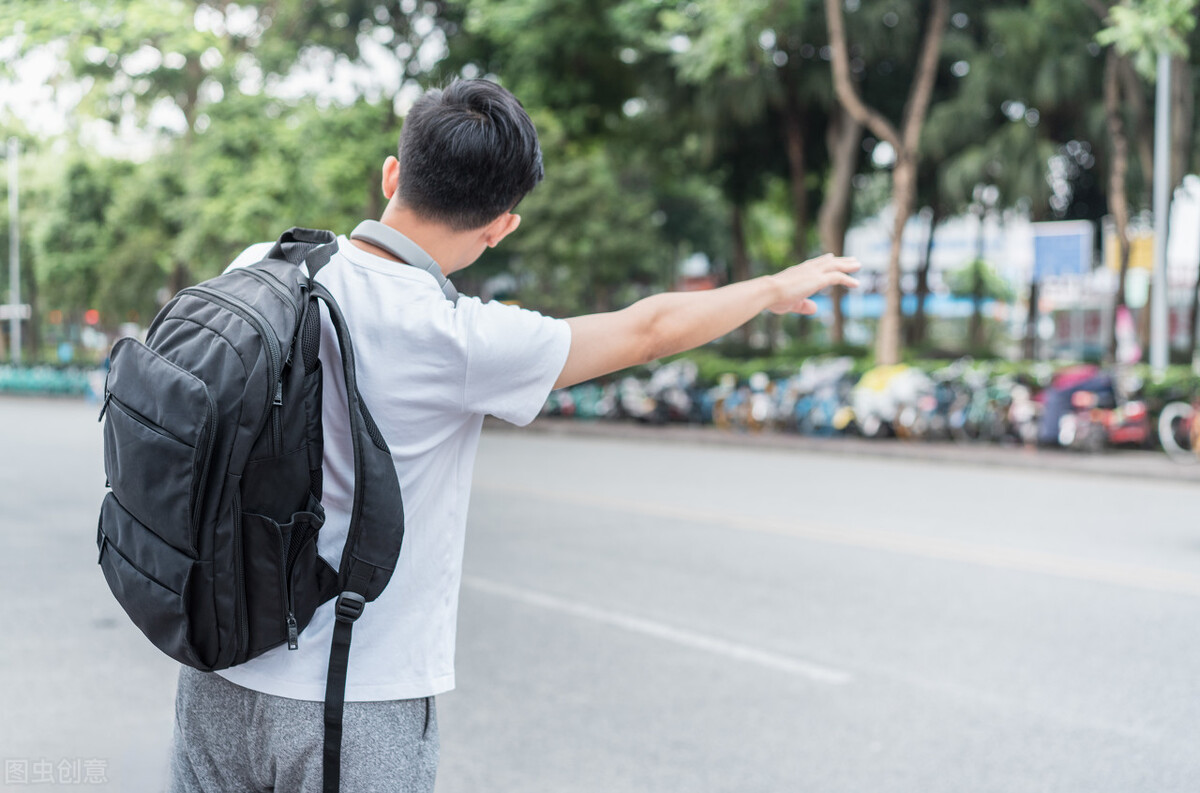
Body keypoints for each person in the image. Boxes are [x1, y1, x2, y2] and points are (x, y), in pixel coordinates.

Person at [168, 78, 859, 793]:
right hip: (351, 699)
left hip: (214, 669)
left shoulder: (265, 262)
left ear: (392, 173)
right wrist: (775, 286)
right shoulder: (459, 337)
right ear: (501, 226)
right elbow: (649, 330)